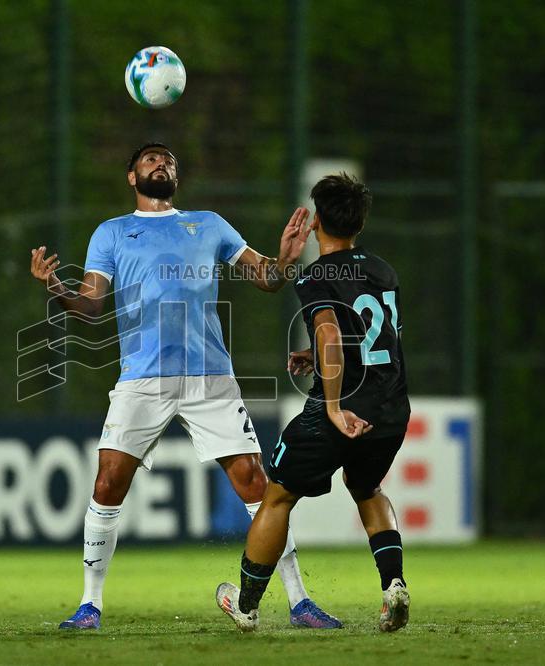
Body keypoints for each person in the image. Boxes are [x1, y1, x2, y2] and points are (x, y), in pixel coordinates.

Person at [29, 142, 340, 630]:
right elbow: (91, 308)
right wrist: (56, 289)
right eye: (151, 159)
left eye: (168, 160)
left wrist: (282, 260)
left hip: (208, 376)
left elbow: (266, 278)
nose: (161, 163)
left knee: (256, 483)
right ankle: (90, 605)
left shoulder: (209, 224)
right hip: (141, 378)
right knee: (108, 482)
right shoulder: (111, 233)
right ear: (132, 176)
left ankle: (300, 601)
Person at [215, 174, 412, 633]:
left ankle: (245, 606)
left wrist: (332, 406)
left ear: (317, 221)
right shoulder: (384, 270)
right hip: (390, 410)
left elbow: (328, 332)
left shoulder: (315, 273)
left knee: (278, 496)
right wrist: (319, 358)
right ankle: (394, 584)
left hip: (341, 410)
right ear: (359, 223)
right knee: (367, 489)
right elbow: (373, 337)